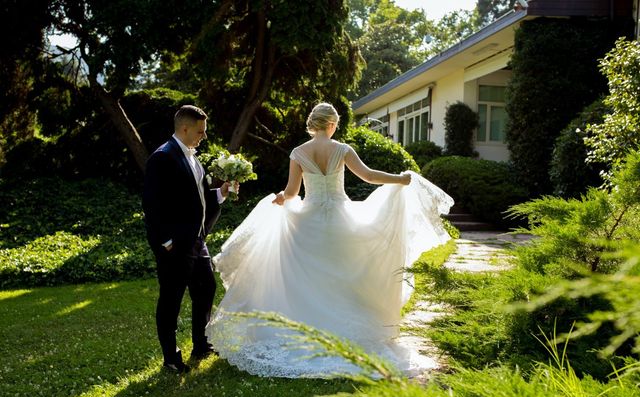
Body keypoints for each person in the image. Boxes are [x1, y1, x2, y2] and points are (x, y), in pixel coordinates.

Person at [206, 102, 453, 378]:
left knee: (310, 279)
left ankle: (308, 331)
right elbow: (370, 176)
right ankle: (345, 331)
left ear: (314, 124)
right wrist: (401, 179)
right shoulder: (343, 150)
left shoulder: (299, 152)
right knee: (343, 276)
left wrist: (280, 198)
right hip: (340, 218)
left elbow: (291, 192)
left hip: (308, 220)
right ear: (333, 124)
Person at [143, 105, 236, 374]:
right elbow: (152, 205)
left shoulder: (193, 157)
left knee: (205, 290)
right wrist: (166, 243)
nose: (203, 136)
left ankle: (201, 343)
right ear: (184, 128)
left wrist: (222, 193)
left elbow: (199, 198)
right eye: (200, 131)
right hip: (174, 245)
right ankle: (171, 358)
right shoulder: (163, 157)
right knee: (171, 300)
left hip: (197, 241)